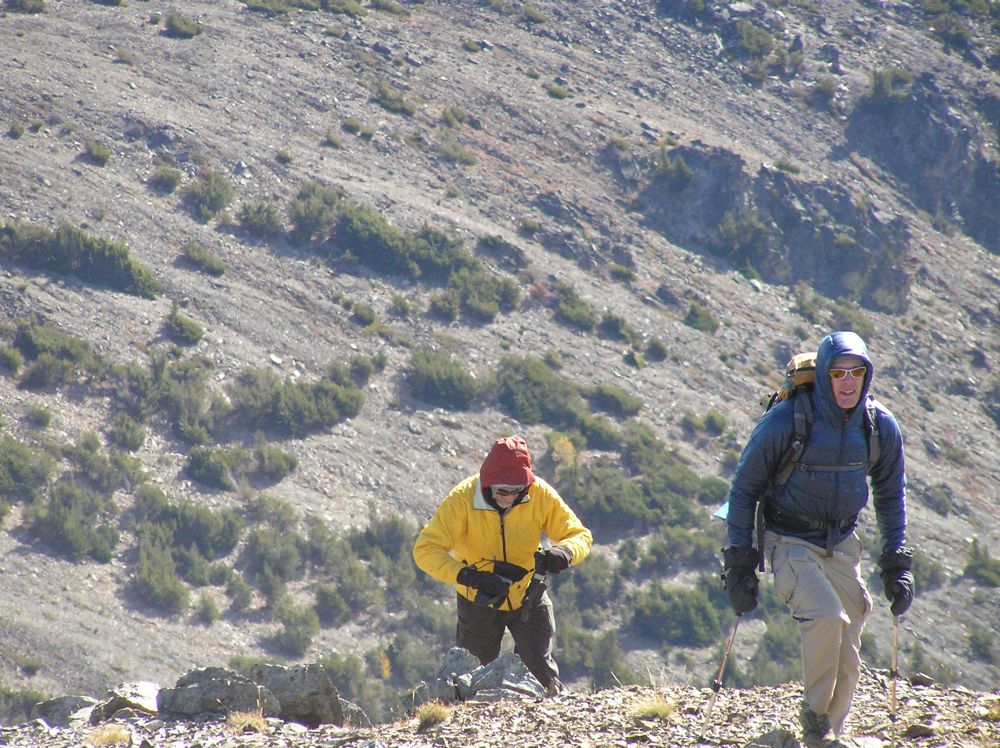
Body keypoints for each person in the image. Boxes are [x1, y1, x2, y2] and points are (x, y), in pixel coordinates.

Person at [722, 331, 913, 746]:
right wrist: (739, 564)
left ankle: (829, 736)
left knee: (849, 639)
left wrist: (896, 561)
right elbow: (743, 490)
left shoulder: (878, 425)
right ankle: (815, 717)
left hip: (842, 542)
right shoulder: (786, 421)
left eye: (856, 373)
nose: (848, 382)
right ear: (824, 375)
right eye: (838, 373)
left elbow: (890, 493)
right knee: (827, 617)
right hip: (789, 539)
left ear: (867, 375)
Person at [413, 435, 592, 694]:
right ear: (487, 484)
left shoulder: (539, 493)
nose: (509, 497)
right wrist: (467, 576)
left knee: (541, 675)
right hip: (477, 600)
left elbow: (579, 535)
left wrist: (565, 552)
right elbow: (425, 549)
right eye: (502, 491)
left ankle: (548, 714)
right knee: (470, 681)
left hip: (529, 595)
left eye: (517, 491)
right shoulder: (463, 498)